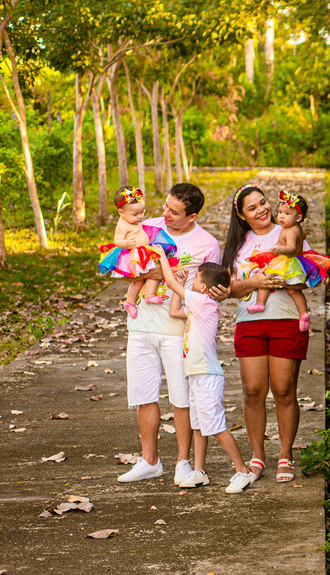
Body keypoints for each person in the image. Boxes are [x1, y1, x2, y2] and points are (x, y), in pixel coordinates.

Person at [117, 183, 222, 485]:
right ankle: (149, 460)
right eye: (165, 206)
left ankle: (182, 462)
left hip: (179, 331)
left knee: (182, 398)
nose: (164, 214)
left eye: (173, 212)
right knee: (143, 394)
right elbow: (122, 265)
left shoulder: (207, 244)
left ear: (192, 215)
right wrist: (145, 274)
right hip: (141, 325)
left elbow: (210, 294)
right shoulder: (146, 227)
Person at [220, 183, 308, 483]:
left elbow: (311, 273)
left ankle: (286, 454)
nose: (262, 210)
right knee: (253, 391)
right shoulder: (238, 244)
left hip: (286, 318)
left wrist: (287, 280)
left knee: (284, 389)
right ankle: (258, 455)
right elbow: (227, 289)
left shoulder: (289, 229)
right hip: (250, 322)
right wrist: (254, 283)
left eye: (263, 203)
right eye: (252, 208)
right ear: (242, 216)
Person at [157, 257, 255, 493]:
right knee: (199, 425)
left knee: (216, 426)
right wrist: (179, 290)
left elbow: (169, 281)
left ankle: (243, 471)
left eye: (195, 278)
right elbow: (173, 310)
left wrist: (160, 252)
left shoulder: (203, 302)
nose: (191, 282)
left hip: (207, 374)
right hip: (196, 374)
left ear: (202, 287)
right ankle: (199, 471)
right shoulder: (198, 305)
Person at [245, 189, 330, 333]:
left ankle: (260, 303)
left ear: (298, 218)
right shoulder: (297, 229)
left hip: (288, 261)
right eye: (279, 212)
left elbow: (291, 248)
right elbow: (302, 236)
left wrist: (280, 249)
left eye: (286, 214)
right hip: (296, 262)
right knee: (293, 291)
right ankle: (303, 313)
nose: (281, 217)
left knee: (266, 277)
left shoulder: (290, 231)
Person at [97, 186, 177, 318]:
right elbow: (117, 240)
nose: (140, 216)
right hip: (133, 255)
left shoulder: (133, 219)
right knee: (139, 280)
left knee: (152, 274)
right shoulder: (123, 224)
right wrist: (126, 243)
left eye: (142, 212)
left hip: (144, 252)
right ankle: (129, 302)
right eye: (136, 214)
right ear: (121, 213)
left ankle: (149, 295)